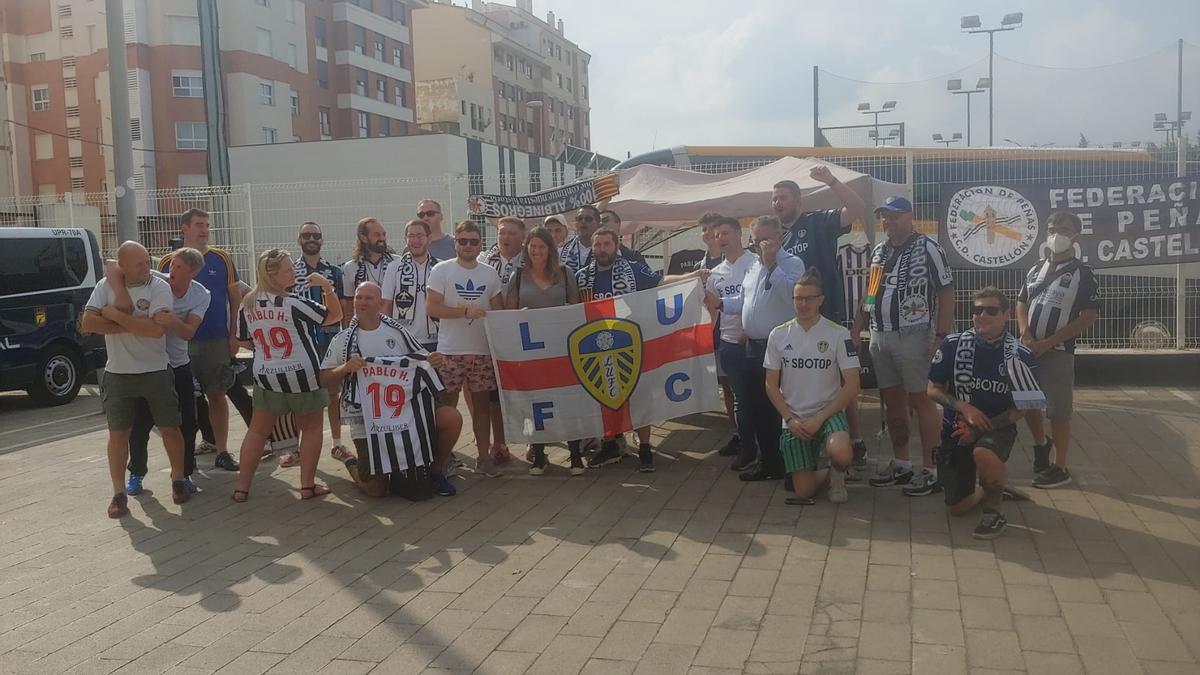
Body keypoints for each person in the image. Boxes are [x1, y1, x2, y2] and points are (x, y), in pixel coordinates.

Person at [578, 226, 707, 471]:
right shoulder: (582, 277)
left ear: (616, 246)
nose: (602, 249)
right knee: (605, 398)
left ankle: (645, 448)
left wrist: (689, 277)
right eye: (597, 245)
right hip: (598, 348)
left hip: (630, 345)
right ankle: (611, 445)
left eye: (606, 244)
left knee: (639, 397)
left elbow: (660, 281)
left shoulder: (633, 270)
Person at [851, 196, 954, 496]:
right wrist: (857, 328)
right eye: (884, 216)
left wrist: (941, 336)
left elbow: (947, 293)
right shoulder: (880, 250)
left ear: (910, 216)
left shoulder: (930, 248)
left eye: (894, 216)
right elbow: (870, 294)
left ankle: (933, 470)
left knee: (921, 402)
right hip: (880, 335)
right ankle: (902, 463)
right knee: (892, 403)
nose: (888, 221)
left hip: (915, 335)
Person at [320, 282, 462, 498]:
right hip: (368, 419)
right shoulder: (342, 340)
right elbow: (323, 379)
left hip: (404, 411)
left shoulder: (398, 333)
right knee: (376, 490)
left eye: (368, 298)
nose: (361, 302)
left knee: (451, 418)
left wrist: (434, 360)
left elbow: (422, 359)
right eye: (358, 297)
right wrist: (345, 367)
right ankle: (349, 459)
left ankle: (435, 471)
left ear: (380, 302)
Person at [928, 287, 1045, 539]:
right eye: (977, 310)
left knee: (984, 453)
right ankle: (992, 487)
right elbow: (932, 390)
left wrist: (981, 427)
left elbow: (1024, 407)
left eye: (991, 310)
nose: (982, 315)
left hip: (998, 428)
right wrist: (964, 408)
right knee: (957, 508)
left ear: (1006, 315)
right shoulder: (953, 344)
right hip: (955, 432)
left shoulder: (1020, 355)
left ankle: (994, 512)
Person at [82, 241, 189, 517]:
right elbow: (88, 324)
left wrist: (116, 315)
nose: (147, 267)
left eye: (146, 260)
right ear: (123, 266)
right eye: (140, 263)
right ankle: (118, 493)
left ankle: (178, 479)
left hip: (155, 370)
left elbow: (155, 332)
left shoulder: (158, 286)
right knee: (118, 435)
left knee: (170, 428)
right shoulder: (106, 286)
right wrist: (133, 322)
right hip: (118, 374)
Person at [231, 249, 343, 502]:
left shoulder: (247, 304)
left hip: (266, 375)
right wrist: (327, 287)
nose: (294, 272)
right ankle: (307, 486)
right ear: (272, 275)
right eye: (288, 270)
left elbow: (242, 340)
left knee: (258, 432)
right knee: (312, 428)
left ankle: (241, 488)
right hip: (302, 375)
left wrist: (265, 351)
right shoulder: (293, 303)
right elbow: (335, 316)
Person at [708, 216, 805, 482]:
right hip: (752, 347)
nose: (761, 243)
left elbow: (792, 297)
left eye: (767, 238)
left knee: (781, 407)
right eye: (757, 239)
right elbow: (743, 300)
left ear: (779, 237)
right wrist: (719, 303)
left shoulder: (792, 264)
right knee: (759, 407)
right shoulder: (753, 267)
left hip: (780, 346)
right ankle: (770, 462)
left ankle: (792, 462)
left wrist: (772, 263)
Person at [1017, 211, 1100, 489]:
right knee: (1028, 402)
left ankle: (1060, 467)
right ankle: (1041, 443)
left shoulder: (1083, 273)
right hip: (1029, 349)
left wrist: (1048, 343)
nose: (1057, 235)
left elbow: (1088, 316)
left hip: (1058, 352)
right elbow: (1021, 302)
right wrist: (1026, 334)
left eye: (1064, 230)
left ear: (1076, 236)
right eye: (1052, 229)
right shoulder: (1035, 268)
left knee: (1058, 412)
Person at [764, 269, 861, 505]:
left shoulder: (838, 334)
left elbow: (852, 385)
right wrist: (790, 418)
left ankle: (838, 473)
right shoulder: (778, 334)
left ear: (821, 300)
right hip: (795, 417)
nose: (803, 304)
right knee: (804, 492)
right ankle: (828, 474)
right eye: (798, 299)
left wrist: (820, 418)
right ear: (793, 300)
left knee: (842, 452)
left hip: (828, 413)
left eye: (809, 298)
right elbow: (770, 385)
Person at [158, 208, 241, 472]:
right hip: (178, 345)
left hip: (215, 339)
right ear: (185, 228)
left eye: (207, 225)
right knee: (184, 400)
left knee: (217, 395)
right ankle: (184, 460)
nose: (205, 230)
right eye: (199, 225)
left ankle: (223, 451)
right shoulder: (167, 263)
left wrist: (233, 334)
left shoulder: (221, 259)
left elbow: (235, 297)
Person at [126, 247, 210, 497]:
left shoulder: (200, 295)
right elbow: (114, 267)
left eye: (179, 267)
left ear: (192, 272)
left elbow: (189, 333)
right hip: (150, 365)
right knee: (140, 423)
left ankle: (184, 476)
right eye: (172, 265)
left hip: (179, 364)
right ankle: (136, 474)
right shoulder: (154, 280)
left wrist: (171, 319)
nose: (171, 271)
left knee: (188, 422)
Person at [502, 226, 585, 476]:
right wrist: (519, 317)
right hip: (530, 352)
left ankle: (576, 456)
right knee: (534, 401)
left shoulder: (565, 273)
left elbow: (575, 308)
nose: (537, 251)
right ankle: (538, 456)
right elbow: (508, 313)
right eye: (533, 246)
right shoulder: (517, 276)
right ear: (527, 248)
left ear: (551, 249)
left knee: (567, 401)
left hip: (561, 349)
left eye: (542, 246)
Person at [426, 220, 506, 477]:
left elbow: (499, 311)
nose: (468, 246)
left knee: (482, 406)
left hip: (481, 350)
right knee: (448, 405)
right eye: (463, 241)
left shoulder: (489, 273)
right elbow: (432, 308)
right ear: (455, 242)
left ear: (480, 243)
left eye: (473, 241)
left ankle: (483, 457)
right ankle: (444, 457)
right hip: (450, 350)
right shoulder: (442, 270)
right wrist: (463, 311)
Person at [773, 166, 866, 323]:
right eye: (774, 199)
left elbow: (857, 208)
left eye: (783, 198)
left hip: (826, 311)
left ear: (797, 201)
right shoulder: (779, 238)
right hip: (794, 316)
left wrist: (831, 180)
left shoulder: (818, 221)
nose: (777, 203)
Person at [291, 221, 346, 464]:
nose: (311, 239)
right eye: (306, 235)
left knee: (333, 396)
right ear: (299, 240)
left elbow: (344, 308)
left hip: (330, 340)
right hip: (301, 342)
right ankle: (296, 448)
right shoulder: (290, 271)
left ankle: (337, 444)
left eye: (315, 235)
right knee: (302, 396)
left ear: (322, 240)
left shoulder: (335, 272)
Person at [705, 216, 757, 467]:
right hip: (729, 343)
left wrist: (751, 328)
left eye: (725, 233)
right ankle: (746, 447)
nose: (721, 239)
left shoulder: (757, 264)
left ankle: (767, 446)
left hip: (756, 342)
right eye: (717, 236)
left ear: (738, 234)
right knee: (739, 398)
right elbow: (712, 309)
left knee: (761, 396)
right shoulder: (715, 274)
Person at [838, 240, 874, 471]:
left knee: (851, 383)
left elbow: (870, 295)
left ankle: (856, 440)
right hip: (839, 322)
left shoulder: (877, 254)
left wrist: (862, 325)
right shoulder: (840, 255)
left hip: (865, 326)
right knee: (840, 383)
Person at [383, 219, 441, 352]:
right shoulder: (394, 268)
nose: (416, 241)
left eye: (420, 236)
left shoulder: (440, 267)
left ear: (429, 238)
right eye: (411, 236)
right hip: (403, 340)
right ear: (405, 239)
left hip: (436, 339)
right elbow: (385, 305)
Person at [340, 217, 395, 324]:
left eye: (383, 234)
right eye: (376, 235)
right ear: (363, 238)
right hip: (364, 328)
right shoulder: (350, 267)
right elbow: (349, 307)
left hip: (393, 327)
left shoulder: (397, 263)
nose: (382, 238)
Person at [667, 211, 724, 275]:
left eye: (711, 228)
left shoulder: (731, 260)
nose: (707, 232)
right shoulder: (698, 267)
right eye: (704, 229)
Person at [484, 216, 526, 285]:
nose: (506, 237)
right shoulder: (484, 260)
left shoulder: (531, 261)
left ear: (523, 237)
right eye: (502, 233)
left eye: (512, 233)